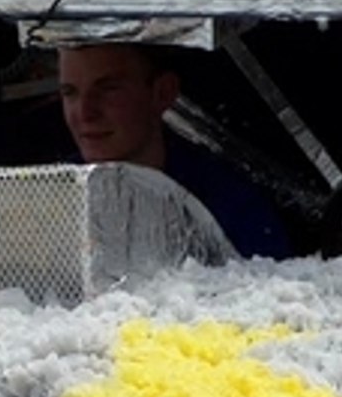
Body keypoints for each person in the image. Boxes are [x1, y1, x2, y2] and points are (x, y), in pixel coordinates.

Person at [57, 43, 293, 260]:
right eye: (70, 93)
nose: (85, 113)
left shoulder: (231, 207)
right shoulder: (51, 198)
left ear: (163, 93)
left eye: (108, 89)